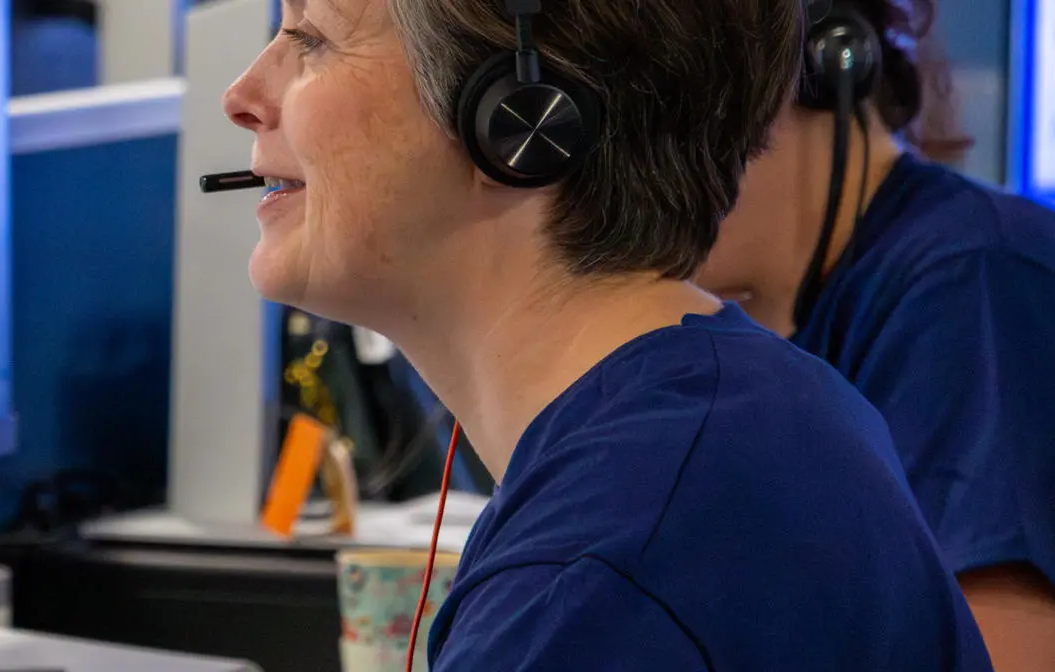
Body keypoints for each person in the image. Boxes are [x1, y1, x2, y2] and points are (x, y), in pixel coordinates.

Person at [219, 0, 991, 668]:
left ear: (518, 118)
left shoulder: (603, 575)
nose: (243, 96)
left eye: (311, 40)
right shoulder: (740, 412)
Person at [700, 1, 1055, 669]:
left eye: (661, 104)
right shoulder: (782, 324)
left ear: (817, 68)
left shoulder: (978, 284)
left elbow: (1002, 655)